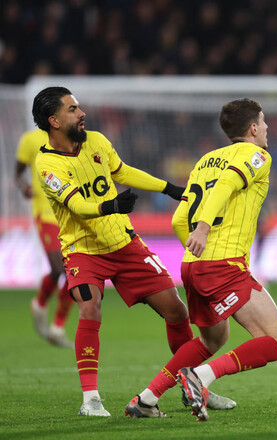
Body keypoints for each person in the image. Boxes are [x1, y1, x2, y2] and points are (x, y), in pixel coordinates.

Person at [31, 86, 234, 417]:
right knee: (90, 307)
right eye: (72, 109)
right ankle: (91, 399)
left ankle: (191, 385)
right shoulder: (46, 163)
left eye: (78, 107)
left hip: (125, 244)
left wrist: (169, 188)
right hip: (83, 250)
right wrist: (112, 204)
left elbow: (122, 171)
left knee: (177, 311)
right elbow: (78, 206)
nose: (81, 113)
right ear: (54, 120)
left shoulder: (95, 141)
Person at [125, 98, 277, 421]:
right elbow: (229, 182)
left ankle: (145, 399)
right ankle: (201, 377)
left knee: (214, 337)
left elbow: (177, 220)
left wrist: (196, 245)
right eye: (264, 121)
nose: (268, 127)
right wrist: (202, 231)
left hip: (194, 265)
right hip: (224, 265)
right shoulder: (257, 155)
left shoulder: (205, 162)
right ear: (253, 128)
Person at [15, 127, 74, 349]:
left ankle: (58, 326)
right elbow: (17, 173)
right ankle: (40, 302)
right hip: (46, 213)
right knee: (58, 267)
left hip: (70, 213)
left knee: (74, 271)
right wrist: (24, 187)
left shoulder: (72, 138)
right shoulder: (30, 140)